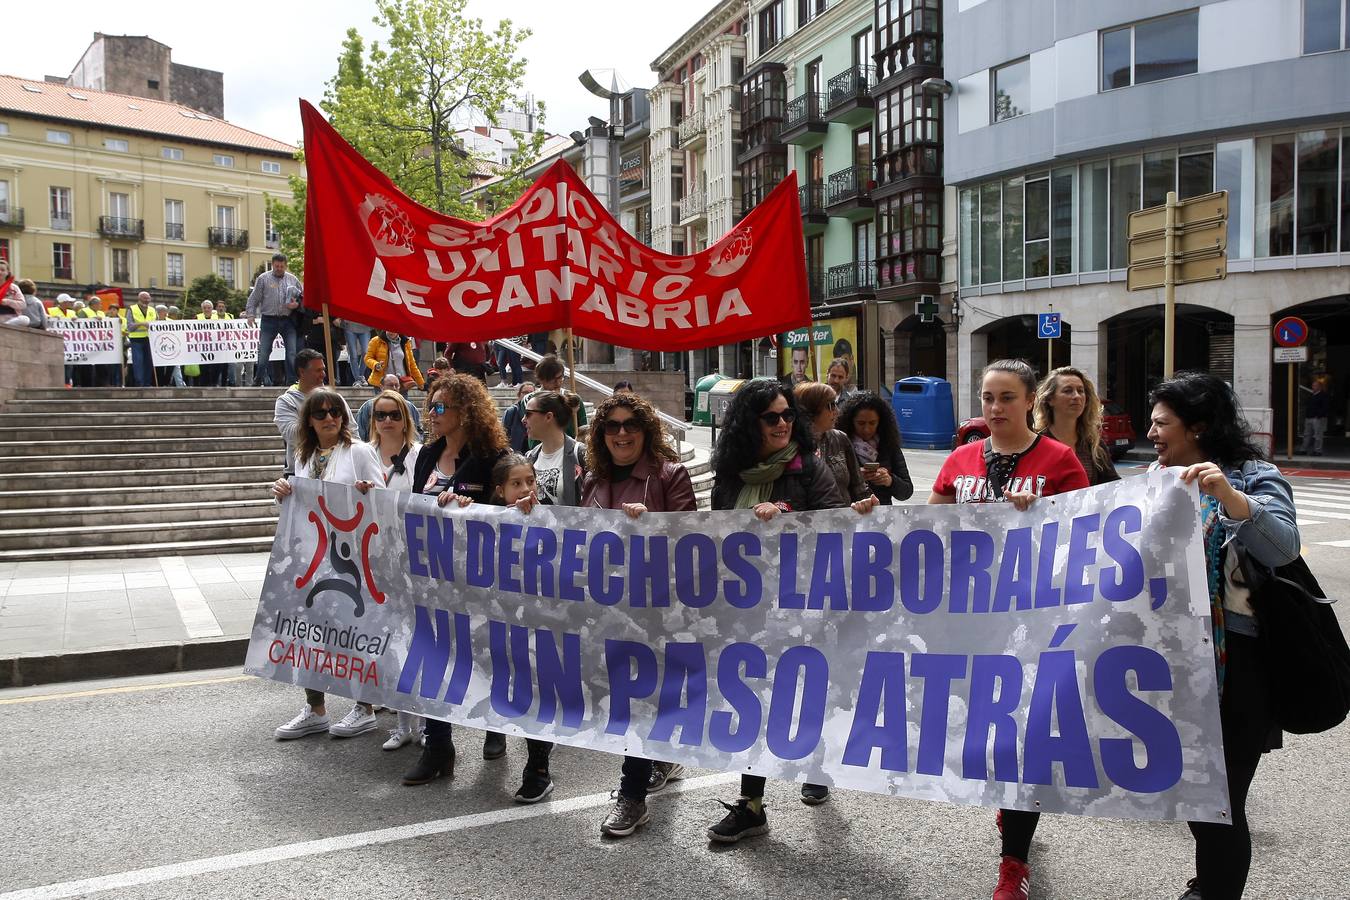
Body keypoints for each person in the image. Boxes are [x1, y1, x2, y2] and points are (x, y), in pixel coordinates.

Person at [928, 359, 1089, 900]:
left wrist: (1043, 512)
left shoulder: (1059, 460)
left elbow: (1085, 539)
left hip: (1033, 625)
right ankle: (1007, 804)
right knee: (988, 730)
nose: (994, 409)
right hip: (971, 625)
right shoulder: (961, 458)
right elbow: (931, 529)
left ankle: (1013, 862)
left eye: (1006, 398)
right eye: (987, 398)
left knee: (1026, 737)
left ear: (1028, 403)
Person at [1147, 372, 1300, 900]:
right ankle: (1210, 881)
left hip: (1241, 662)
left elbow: (1283, 549)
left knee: (1223, 798)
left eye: (1162, 423)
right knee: (1195, 790)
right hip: (1178, 660)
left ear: (1200, 426)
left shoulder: (1255, 476)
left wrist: (1230, 497)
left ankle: (1214, 890)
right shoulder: (1157, 477)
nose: (1152, 433)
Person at [703, 380, 877, 843]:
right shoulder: (729, 476)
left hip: (803, 605)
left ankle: (816, 764)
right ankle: (751, 804)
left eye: (786, 416)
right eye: (770, 418)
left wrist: (783, 510)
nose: (782, 424)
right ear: (748, 424)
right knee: (751, 698)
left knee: (804, 688)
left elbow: (834, 521)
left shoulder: (808, 468)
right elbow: (715, 532)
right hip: (749, 608)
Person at [581, 393, 696, 838]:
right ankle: (659, 756)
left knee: (638, 695)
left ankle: (632, 797)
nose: (622, 433)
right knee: (630, 694)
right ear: (601, 433)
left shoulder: (670, 475)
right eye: (612, 426)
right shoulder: (592, 478)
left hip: (654, 607)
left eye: (631, 425)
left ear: (646, 431)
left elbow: (692, 538)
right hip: (607, 607)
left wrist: (653, 523)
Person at [401, 374, 511, 786]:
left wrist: (475, 506)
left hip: (480, 578)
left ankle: (495, 725)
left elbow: (512, 502)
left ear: (466, 411)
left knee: (485, 655)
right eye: (431, 405)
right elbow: (414, 506)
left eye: (440, 407)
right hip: (433, 578)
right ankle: (438, 747)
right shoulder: (428, 454)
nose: (431, 413)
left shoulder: (492, 455)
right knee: (433, 657)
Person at [271, 388, 384, 741]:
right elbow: (300, 510)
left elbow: (382, 501)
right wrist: (284, 494)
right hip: (314, 557)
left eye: (335, 411)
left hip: (352, 560)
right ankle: (315, 709)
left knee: (355, 633)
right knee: (310, 635)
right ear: (309, 421)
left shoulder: (360, 452)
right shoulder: (304, 456)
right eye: (320, 413)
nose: (330, 418)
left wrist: (367, 492)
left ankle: (364, 708)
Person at [353, 387, 425, 750]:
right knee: (389, 640)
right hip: (373, 557)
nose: (386, 421)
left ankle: (423, 723)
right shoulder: (362, 454)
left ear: (405, 418)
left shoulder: (417, 455)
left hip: (411, 557)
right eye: (379, 415)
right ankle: (401, 722)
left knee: (416, 640)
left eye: (394, 414)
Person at [1034, 366, 1120, 486]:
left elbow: (1113, 486)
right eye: (1068, 391)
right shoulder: (1034, 442)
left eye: (1080, 391)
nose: (1076, 396)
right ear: (1050, 399)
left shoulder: (1094, 445)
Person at [275, 349, 353, 476]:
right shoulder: (286, 402)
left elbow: (352, 430)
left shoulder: (335, 398)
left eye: (334, 412)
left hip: (339, 469)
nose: (323, 374)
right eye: (318, 370)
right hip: (300, 472)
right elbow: (293, 436)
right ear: (302, 372)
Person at [795, 381, 866, 503]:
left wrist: (868, 505)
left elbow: (858, 486)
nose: (836, 411)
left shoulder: (840, 439)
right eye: (831, 405)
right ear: (812, 409)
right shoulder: (793, 445)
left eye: (836, 404)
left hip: (842, 517)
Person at [838, 392, 914, 504]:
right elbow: (831, 488)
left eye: (872, 423)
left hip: (882, 515)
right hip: (851, 513)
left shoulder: (888, 444)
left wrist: (890, 480)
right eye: (861, 423)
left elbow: (906, 491)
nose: (867, 429)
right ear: (850, 421)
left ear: (880, 422)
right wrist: (855, 477)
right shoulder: (839, 443)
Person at [244, 252, 303, 387]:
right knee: (264, 352)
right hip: (268, 320)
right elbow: (253, 299)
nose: (279, 269)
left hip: (288, 320)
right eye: (276, 266)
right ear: (272, 265)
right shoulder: (263, 279)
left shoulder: (293, 279)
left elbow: (302, 298)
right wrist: (250, 315)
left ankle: (292, 381)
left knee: (292, 352)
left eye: (282, 266)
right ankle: (258, 378)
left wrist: (297, 305)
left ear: (285, 266)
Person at [523, 391, 585, 508]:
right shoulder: (529, 457)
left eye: (528, 414)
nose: (523, 419)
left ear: (548, 417)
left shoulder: (581, 454)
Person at [509, 355, 587, 447]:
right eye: (553, 380)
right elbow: (539, 423)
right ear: (541, 379)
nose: (558, 383)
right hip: (540, 451)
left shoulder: (574, 399)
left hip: (569, 452)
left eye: (560, 377)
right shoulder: (530, 400)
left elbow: (583, 430)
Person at [357, 374, 422, 442]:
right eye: (390, 385)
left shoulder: (410, 407)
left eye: (396, 385)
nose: (394, 388)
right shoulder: (367, 407)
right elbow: (360, 432)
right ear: (381, 387)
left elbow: (417, 432)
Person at [125, 291, 158, 387]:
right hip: (136, 340)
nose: (146, 300)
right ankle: (139, 383)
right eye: (144, 298)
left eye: (148, 298)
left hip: (150, 340)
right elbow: (130, 327)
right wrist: (141, 324)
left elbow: (157, 325)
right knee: (138, 362)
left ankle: (147, 383)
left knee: (148, 362)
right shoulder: (132, 309)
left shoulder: (153, 310)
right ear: (139, 299)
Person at [336, 316, 373, 386]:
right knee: (353, 355)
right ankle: (358, 379)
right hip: (349, 326)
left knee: (366, 352)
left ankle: (360, 377)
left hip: (365, 326)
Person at [502, 381, 537, 453]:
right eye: (525, 392)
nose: (528, 395)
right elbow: (503, 434)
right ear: (519, 395)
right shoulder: (512, 411)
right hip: (516, 452)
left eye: (531, 392)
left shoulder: (538, 412)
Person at [1302, 377, 1330, 456]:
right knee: (1306, 435)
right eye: (1313, 385)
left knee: (1318, 435)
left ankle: (1318, 451)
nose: (1313, 387)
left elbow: (1325, 407)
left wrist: (1319, 415)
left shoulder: (1323, 395)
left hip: (1317, 418)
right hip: (1309, 417)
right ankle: (1303, 449)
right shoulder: (1311, 395)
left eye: (1315, 386)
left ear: (1319, 387)